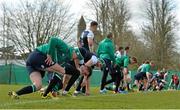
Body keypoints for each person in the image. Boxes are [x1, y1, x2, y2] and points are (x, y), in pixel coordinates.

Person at [8, 37, 78, 99]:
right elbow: (53, 39)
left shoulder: (64, 59)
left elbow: (52, 72)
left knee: (38, 85)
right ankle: (47, 93)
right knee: (61, 71)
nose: (76, 58)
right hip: (38, 55)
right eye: (76, 55)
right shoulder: (66, 48)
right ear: (74, 51)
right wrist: (49, 54)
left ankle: (16, 93)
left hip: (31, 61)